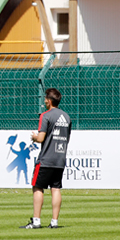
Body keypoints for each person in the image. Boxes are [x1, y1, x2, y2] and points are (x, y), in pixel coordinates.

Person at [21, 87, 72, 229]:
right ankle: (54, 222)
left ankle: (36, 221)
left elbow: (41, 137)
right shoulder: (66, 117)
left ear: (49, 101)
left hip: (46, 158)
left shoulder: (46, 115)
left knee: (37, 187)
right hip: (60, 159)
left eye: (45, 99)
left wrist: (34, 138)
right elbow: (67, 138)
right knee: (56, 188)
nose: (44, 101)